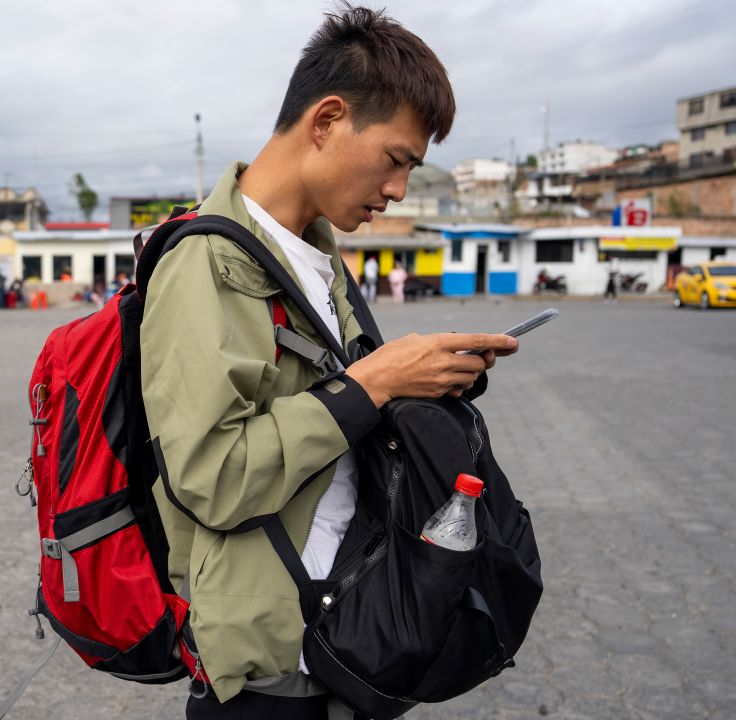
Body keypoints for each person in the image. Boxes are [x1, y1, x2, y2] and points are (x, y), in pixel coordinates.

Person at [137, 6, 519, 718]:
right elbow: (209, 478)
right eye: (397, 159)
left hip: (344, 635)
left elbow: (345, 417)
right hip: (271, 671)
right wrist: (373, 383)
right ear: (328, 120)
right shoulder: (205, 262)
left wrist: (426, 377)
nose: (399, 189)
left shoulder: (316, 255)